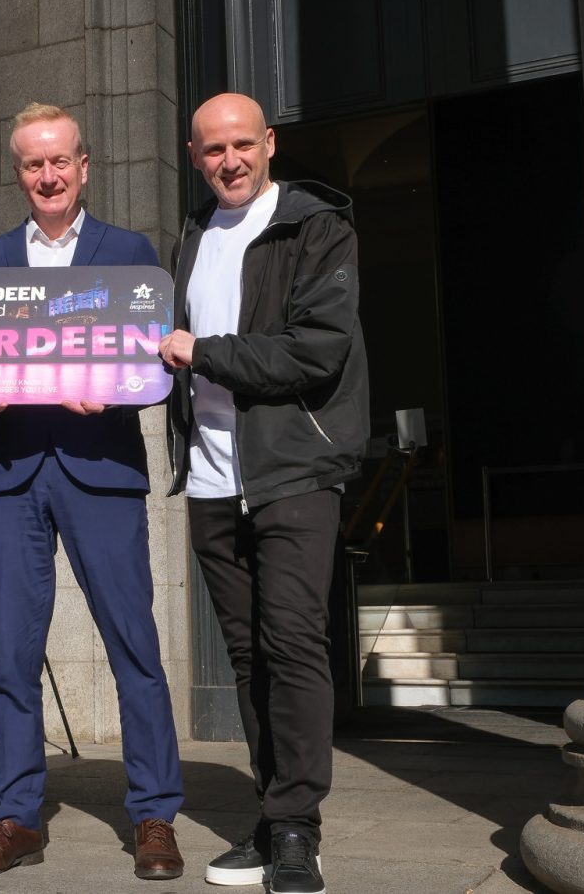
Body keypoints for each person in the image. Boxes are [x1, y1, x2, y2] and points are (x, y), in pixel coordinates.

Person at [0, 102, 185, 882]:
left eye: (60, 161)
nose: (47, 176)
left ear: (84, 166)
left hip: (100, 470)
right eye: (31, 164)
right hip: (11, 475)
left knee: (133, 646)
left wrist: (116, 391)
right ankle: (15, 818)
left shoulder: (131, 253)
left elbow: (153, 370)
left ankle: (154, 815)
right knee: (13, 656)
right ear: (17, 173)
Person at [158, 92, 369, 894]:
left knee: (292, 645)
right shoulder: (189, 235)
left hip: (292, 473)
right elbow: (168, 356)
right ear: (194, 154)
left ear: (270, 143)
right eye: (214, 150)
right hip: (212, 481)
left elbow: (314, 352)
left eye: (243, 144)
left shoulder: (316, 226)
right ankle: (272, 807)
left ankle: (297, 830)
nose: (230, 161)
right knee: (249, 659)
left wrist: (201, 352)